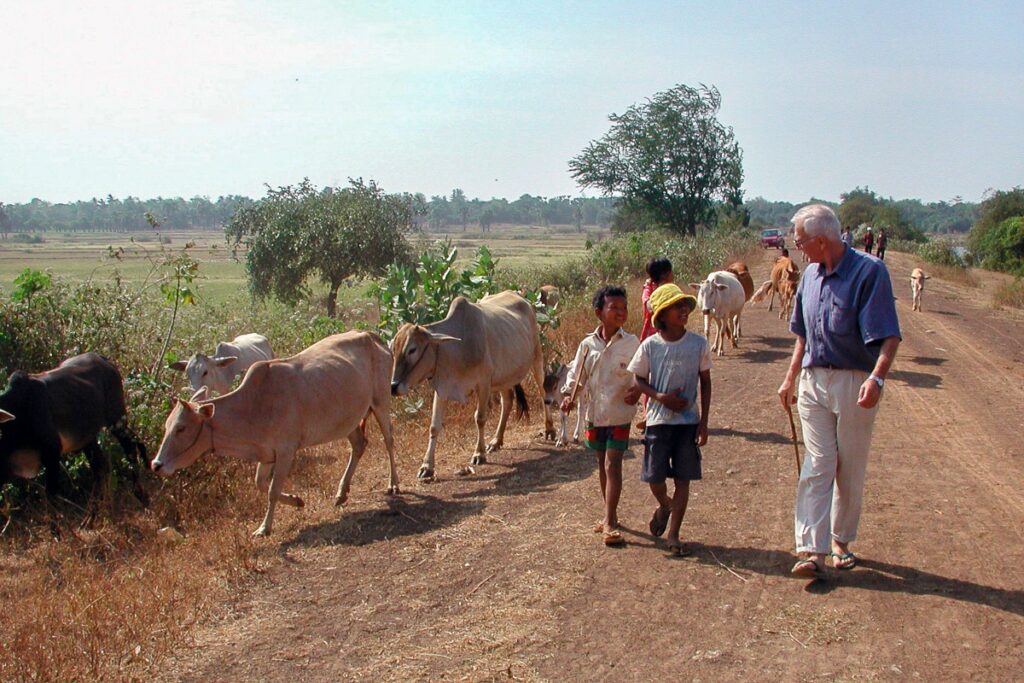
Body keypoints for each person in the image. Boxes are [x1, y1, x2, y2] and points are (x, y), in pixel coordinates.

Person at [779, 204, 901, 577]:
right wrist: (789, 377)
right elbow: (802, 336)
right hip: (814, 381)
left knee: (849, 465)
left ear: (820, 240)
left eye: (800, 242)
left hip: (854, 381)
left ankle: (840, 541)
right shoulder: (809, 278)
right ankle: (810, 551)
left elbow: (889, 335)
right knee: (819, 463)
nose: (797, 249)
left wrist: (876, 378)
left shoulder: (870, 272)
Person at [627, 283, 712, 556]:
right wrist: (660, 397)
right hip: (658, 421)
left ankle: (674, 533)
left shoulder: (698, 344)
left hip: (687, 423)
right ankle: (665, 504)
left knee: (684, 479)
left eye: (685, 305)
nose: (684, 309)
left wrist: (704, 421)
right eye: (677, 307)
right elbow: (637, 379)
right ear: (662, 315)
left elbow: (706, 382)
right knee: (655, 478)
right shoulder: (650, 346)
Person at [561, 286, 641, 547]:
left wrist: (637, 392)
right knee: (601, 463)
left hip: (620, 413)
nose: (621, 312)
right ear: (599, 312)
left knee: (612, 463)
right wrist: (568, 396)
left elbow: (641, 374)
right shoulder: (587, 345)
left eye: (624, 307)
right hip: (595, 413)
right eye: (614, 308)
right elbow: (577, 376)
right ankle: (611, 513)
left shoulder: (631, 344)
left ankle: (608, 522)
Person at [638, 258, 674, 430]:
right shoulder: (661, 291)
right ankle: (648, 413)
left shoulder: (648, 289)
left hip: (651, 336)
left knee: (653, 378)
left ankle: (653, 412)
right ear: (667, 274)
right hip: (658, 338)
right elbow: (651, 306)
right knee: (652, 377)